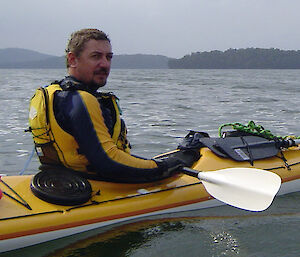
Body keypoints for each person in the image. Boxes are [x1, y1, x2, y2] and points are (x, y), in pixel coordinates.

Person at [29, 28, 198, 183]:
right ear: (73, 59)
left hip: (59, 182)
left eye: (108, 57)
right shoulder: (81, 101)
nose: (105, 64)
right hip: (95, 184)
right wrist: (167, 166)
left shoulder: (56, 94)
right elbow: (108, 162)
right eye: (96, 56)